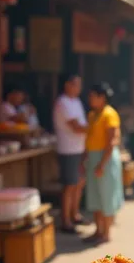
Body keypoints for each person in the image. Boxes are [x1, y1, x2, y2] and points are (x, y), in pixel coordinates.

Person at [84, 82, 124, 243]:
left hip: (105, 158)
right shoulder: (92, 114)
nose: (90, 99)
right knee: (94, 196)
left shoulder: (110, 114)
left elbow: (111, 141)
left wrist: (102, 164)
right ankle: (98, 230)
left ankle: (106, 232)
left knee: (106, 195)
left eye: (93, 96)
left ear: (102, 97)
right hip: (94, 157)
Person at [53, 74, 88, 233]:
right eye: (75, 84)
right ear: (67, 85)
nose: (78, 88)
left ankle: (75, 214)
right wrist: (97, 129)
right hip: (68, 149)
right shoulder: (63, 102)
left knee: (78, 183)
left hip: (78, 148)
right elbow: (77, 127)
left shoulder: (76, 101)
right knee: (69, 185)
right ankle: (65, 220)